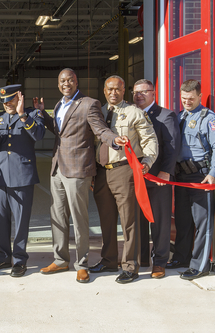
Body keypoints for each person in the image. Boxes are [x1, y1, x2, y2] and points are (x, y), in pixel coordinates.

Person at [33, 69, 122, 283]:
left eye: (70, 80)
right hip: (58, 168)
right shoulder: (59, 105)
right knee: (58, 216)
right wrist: (43, 113)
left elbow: (100, 130)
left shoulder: (89, 104)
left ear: (76, 81)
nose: (66, 84)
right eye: (62, 81)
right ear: (58, 84)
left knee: (78, 218)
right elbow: (60, 131)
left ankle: (82, 264)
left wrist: (114, 140)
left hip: (78, 169)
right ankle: (60, 259)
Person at [90, 75, 158, 284]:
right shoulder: (98, 113)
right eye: (109, 89)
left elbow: (149, 139)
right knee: (107, 220)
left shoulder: (134, 113)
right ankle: (109, 260)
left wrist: (147, 161)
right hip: (102, 173)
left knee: (129, 221)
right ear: (104, 90)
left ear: (123, 91)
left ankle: (130, 266)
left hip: (124, 171)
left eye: (117, 90)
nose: (113, 93)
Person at [0, 85, 45, 277]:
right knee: (0, 219)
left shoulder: (32, 115)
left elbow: (39, 135)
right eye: (4, 101)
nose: (7, 104)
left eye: (10, 100)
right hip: (0, 179)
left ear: (19, 98)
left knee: (21, 221)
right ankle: (2, 257)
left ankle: (19, 260)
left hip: (22, 177)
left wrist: (23, 115)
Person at [171, 80, 215, 280]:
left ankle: (200, 265)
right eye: (184, 98)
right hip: (181, 176)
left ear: (200, 96)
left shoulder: (208, 118)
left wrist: (213, 173)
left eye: (191, 99)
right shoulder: (179, 116)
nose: (187, 102)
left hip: (200, 176)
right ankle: (181, 257)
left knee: (203, 222)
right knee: (183, 220)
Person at [132, 80, 180, 279]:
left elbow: (172, 145)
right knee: (137, 220)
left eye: (144, 92)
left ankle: (159, 261)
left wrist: (166, 172)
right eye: (136, 92)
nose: (139, 96)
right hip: (135, 178)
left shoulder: (165, 115)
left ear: (153, 94)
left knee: (159, 222)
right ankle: (141, 258)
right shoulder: (130, 114)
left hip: (158, 177)